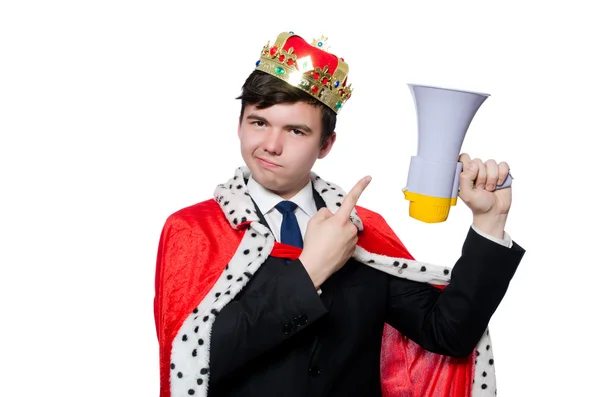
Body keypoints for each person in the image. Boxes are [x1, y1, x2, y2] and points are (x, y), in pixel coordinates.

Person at [153, 31, 526, 397]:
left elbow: (448, 334)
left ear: (326, 144)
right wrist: (312, 269)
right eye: (258, 122)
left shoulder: (362, 229)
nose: (270, 145)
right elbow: (191, 360)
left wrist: (488, 224)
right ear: (239, 124)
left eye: (296, 131)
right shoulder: (193, 230)